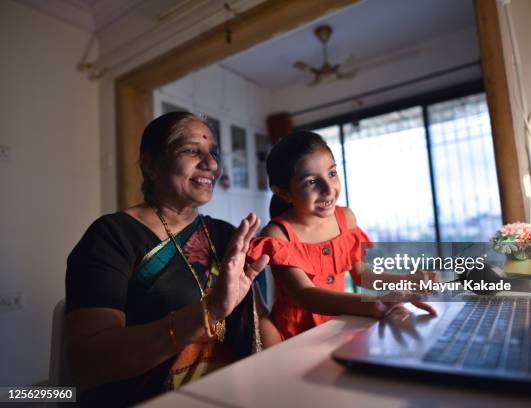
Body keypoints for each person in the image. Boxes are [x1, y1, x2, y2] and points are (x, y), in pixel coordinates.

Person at [64, 112, 280, 407]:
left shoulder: (226, 235)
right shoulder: (112, 236)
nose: (212, 165)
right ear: (151, 166)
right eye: (192, 151)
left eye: (213, 153)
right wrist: (209, 311)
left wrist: (286, 381)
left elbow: (260, 323)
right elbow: (87, 363)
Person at [247, 130, 436, 340]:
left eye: (332, 173)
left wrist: (406, 282)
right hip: (296, 338)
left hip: (341, 327)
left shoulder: (345, 218)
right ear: (283, 192)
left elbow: (362, 274)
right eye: (311, 182)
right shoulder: (278, 235)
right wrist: (375, 303)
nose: (329, 189)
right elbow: (305, 295)